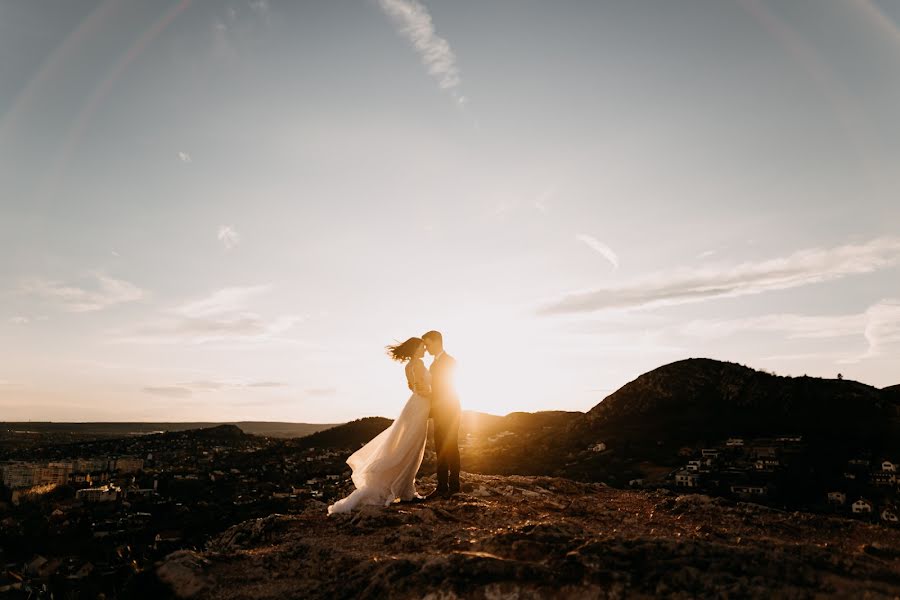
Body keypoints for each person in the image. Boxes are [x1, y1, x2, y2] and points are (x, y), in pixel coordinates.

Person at [327, 337, 431, 514]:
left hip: (414, 404)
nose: (425, 350)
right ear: (415, 348)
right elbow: (421, 388)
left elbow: (412, 387)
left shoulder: (408, 366)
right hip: (421, 404)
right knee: (412, 448)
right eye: (423, 347)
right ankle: (405, 490)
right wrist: (433, 396)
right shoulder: (419, 363)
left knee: (408, 447)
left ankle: (406, 489)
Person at [422, 330, 461, 499]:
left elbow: (446, 389)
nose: (426, 347)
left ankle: (453, 486)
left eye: (427, 344)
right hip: (439, 412)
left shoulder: (450, 361)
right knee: (440, 449)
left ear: (437, 341)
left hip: (450, 411)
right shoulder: (433, 364)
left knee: (451, 448)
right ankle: (442, 486)